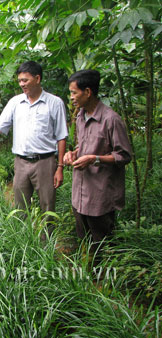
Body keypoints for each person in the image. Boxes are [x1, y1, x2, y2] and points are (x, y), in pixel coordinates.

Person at [0, 61, 68, 220]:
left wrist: (60, 167)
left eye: (25, 80)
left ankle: (46, 242)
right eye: (19, 80)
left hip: (45, 162)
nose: (22, 84)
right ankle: (22, 241)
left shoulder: (54, 103)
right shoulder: (15, 102)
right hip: (21, 163)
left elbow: (61, 136)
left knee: (47, 207)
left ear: (37, 78)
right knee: (20, 207)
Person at [63, 69, 131, 258]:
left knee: (102, 244)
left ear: (88, 92)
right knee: (83, 240)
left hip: (100, 196)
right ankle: (87, 278)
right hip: (80, 193)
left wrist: (95, 159)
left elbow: (124, 155)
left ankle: (103, 281)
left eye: (74, 92)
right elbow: (82, 145)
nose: (72, 98)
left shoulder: (111, 119)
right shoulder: (80, 116)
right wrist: (73, 153)